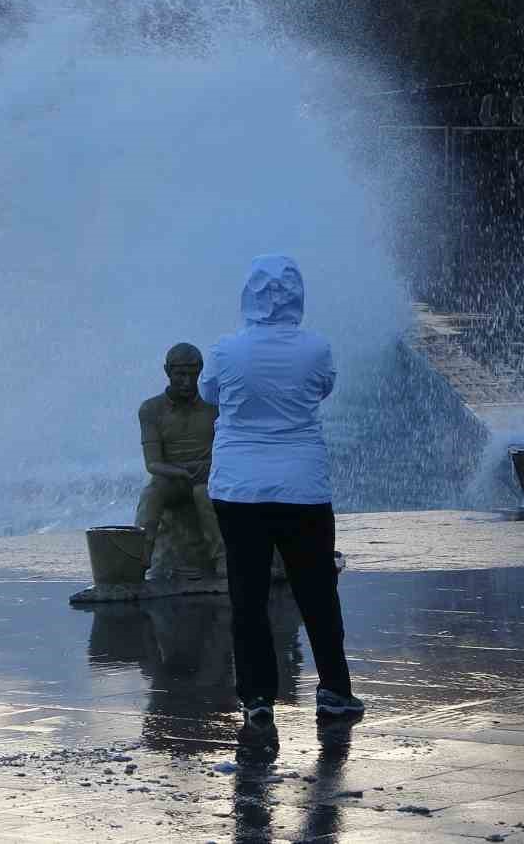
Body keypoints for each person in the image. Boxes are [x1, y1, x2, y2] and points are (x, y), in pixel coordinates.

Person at [200, 254, 363, 735]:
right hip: (302, 489)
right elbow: (323, 389)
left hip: (239, 490)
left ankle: (256, 699)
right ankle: (334, 690)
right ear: (297, 296)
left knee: (247, 597)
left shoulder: (227, 350)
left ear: (247, 295)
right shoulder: (316, 349)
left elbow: (211, 395)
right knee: (316, 591)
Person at [136, 343, 225, 576]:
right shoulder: (151, 409)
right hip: (172, 479)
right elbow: (152, 464)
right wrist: (181, 472)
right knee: (152, 492)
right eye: (180, 374)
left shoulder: (215, 408)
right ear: (167, 371)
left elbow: (229, 453)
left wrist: (208, 470)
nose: (187, 381)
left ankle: (223, 560)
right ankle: (139, 557)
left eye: (193, 374)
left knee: (202, 493)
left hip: (209, 477)